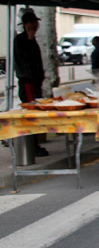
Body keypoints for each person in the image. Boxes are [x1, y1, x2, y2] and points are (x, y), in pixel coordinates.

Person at [14, 11, 49, 157]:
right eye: (33, 23)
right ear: (27, 25)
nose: (36, 25)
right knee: (32, 111)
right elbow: (25, 60)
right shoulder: (21, 40)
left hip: (35, 81)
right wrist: (29, 38)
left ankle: (36, 143)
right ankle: (32, 146)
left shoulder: (32, 40)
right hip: (27, 82)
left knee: (37, 111)